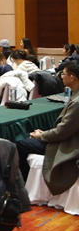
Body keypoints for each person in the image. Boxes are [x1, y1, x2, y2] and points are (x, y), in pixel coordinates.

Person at [16, 61, 79, 192]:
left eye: (63, 74)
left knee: (21, 144)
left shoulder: (77, 102)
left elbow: (63, 132)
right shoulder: (75, 95)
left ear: (72, 77)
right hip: (69, 138)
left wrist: (42, 135)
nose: (61, 76)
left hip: (71, 145)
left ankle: (22, 189)